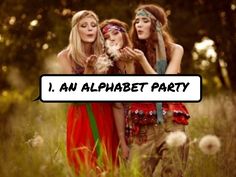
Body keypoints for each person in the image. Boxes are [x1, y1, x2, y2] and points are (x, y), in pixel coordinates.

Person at [123, 4, 190, 177]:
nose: (138, 25)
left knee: (173, 173)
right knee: (135, 173)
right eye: (136, 21)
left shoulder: (176, 49)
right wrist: (129, 63)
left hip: (171, 123)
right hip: (143, 126)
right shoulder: (134, 52)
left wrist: (143, 61)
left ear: (157, 25)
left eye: (145, 21)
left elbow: (165, 87)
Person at [57, 10, 119, 173]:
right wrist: (89, 70)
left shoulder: (105, 53)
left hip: (104, 111)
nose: (90, 29)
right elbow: (76, 93)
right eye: (84, 26)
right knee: (84, 162)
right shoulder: (65, 56)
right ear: (76, 31)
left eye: (93, 25)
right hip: (81, 112)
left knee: (108, 162)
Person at [100, 19, 134, 159]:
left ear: (124, 34)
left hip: (147, 120)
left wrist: (130, 63)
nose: (112, 38)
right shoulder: (107, 68)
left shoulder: (139, 56)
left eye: (115, 33)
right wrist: (123, 143)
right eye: (107, 37)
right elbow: (117, 106)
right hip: (123, 126)